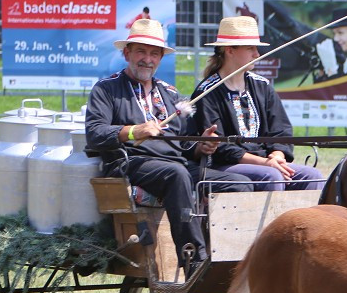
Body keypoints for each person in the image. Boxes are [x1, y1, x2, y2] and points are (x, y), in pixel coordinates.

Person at [85, 18, 257, 278]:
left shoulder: (170, 94)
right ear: (127, 53)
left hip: (177, 165)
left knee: (239, 184)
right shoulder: (106, 89)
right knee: (176, 175)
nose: (147, 59)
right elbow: (95, 133)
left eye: (154, 53)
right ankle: (194, 262)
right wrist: (134, 131)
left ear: (160, 58)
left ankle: (232, 261)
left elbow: (187, 145)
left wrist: (203, 145)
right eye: (141, 51)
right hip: (131, 163)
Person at [191, 15, 324, 191]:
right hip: (226, 166)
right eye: (250, 48)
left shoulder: (262, 86)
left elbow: (281, 131)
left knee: (312, 176)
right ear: (229, 50)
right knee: (272, 176)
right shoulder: (207, 92)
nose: (257, 54)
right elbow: (222, 148)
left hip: (267, 162)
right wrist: (266, 163)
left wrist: (277, 156)